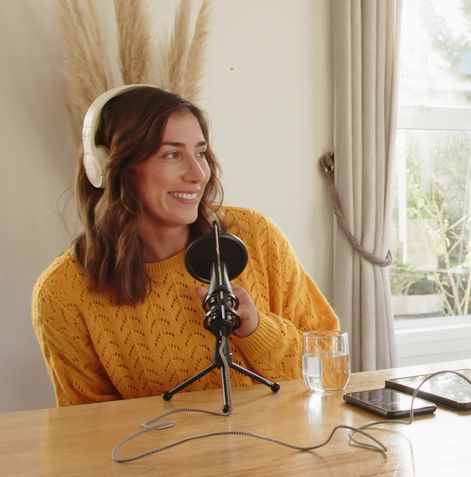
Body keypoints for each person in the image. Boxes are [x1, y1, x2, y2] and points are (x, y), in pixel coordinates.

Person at [32, 85, 339, 406]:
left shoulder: (256, 236)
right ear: (110, 167)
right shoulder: (64, 293)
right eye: (171, 154)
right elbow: (87, 433)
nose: (198, 174)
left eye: (201, 153)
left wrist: (256, 330)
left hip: (288, 451)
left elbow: (330, 369)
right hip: (163, 456)